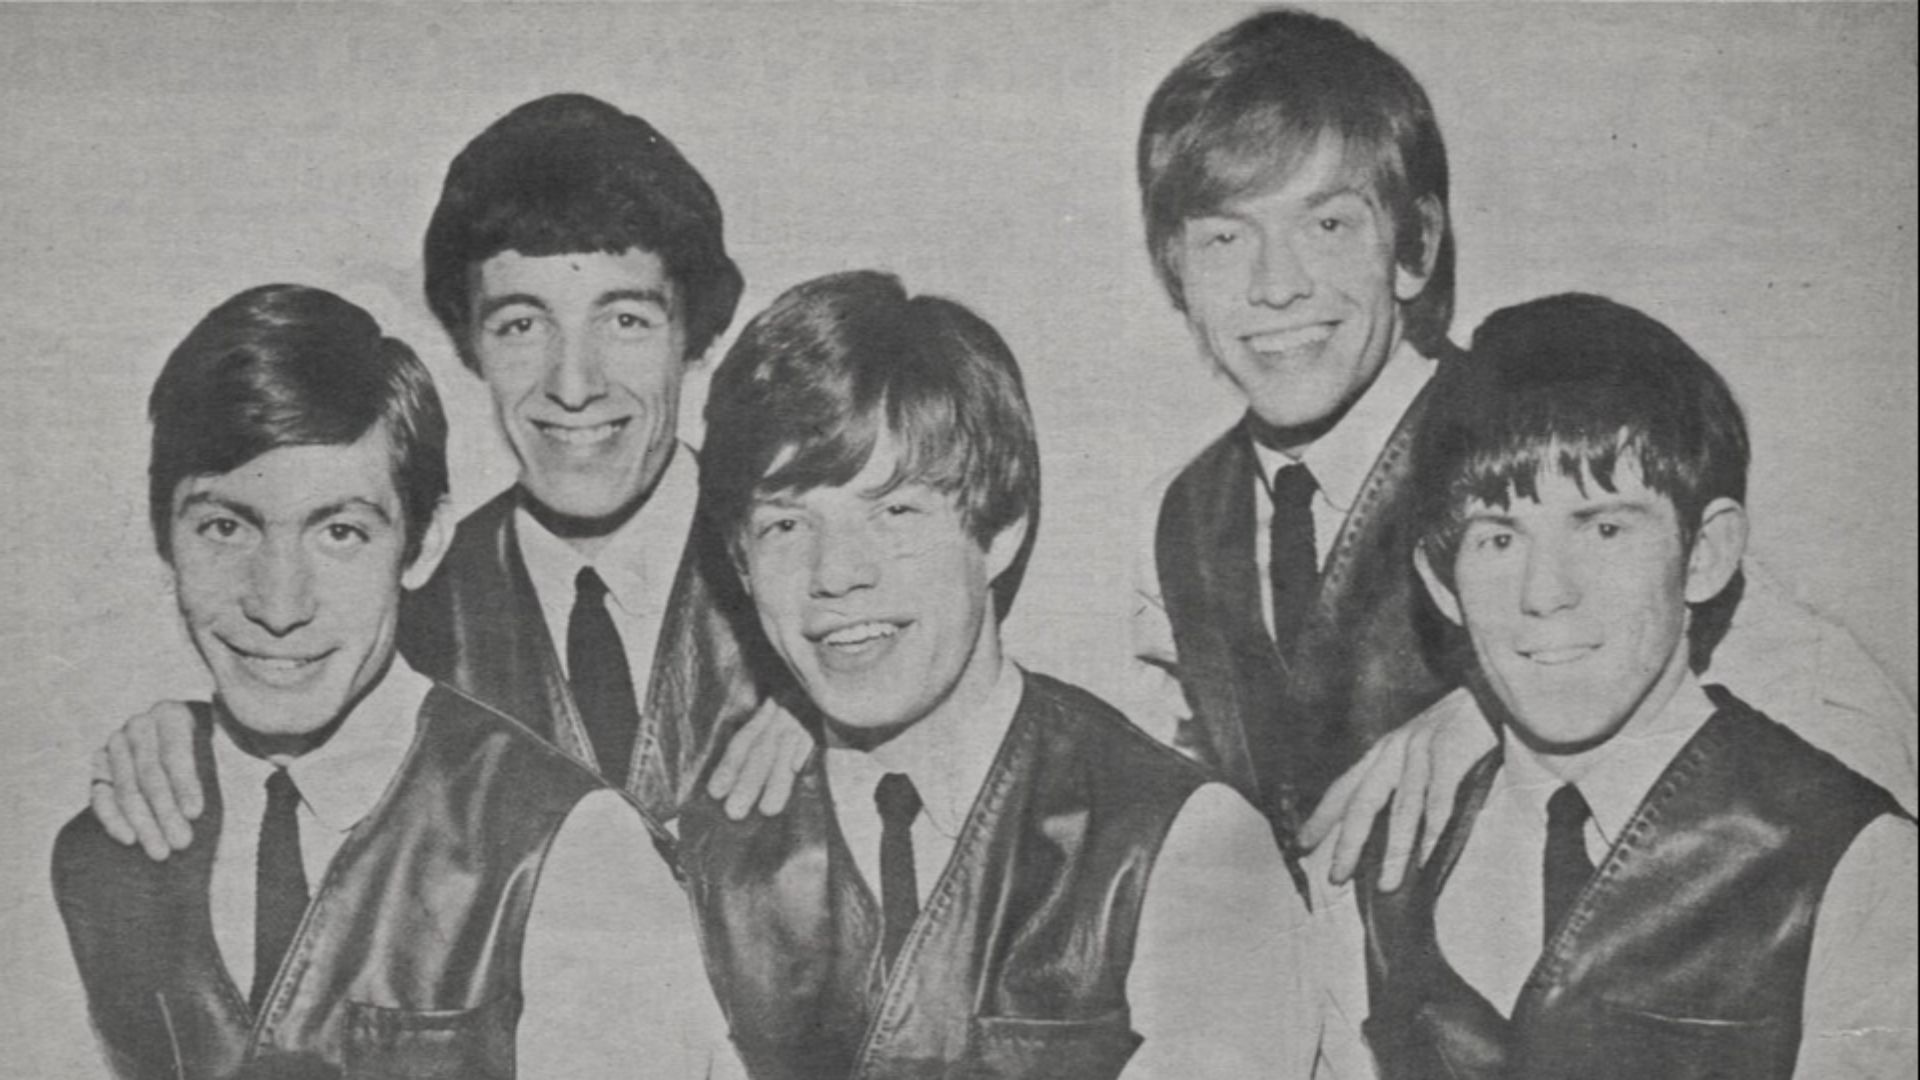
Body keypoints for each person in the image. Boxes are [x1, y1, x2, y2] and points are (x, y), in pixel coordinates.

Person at [1127, 8, 1917, 886]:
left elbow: (1835, 725)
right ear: (1175, 272)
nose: (1276, 286)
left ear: (1415, 247)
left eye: (1328, 227)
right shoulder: (1182, 516)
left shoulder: (1541, 433)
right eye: (1225, 237)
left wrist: (1514, 712)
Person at [90, 93, 801, 858]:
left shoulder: (826, 580)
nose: (573, 385)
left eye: (625, 320)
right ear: (469, 342)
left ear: (695, 335)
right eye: (521, 324)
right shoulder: (400, 607)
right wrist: (198, 741)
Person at [51, 285, 733, 1078]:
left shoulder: (571, 847)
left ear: (425, 541)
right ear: (162, 537)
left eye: (340, 532)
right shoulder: (102, 848)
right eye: (224, 528)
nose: (278, 604)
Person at [677, 271, 1312, 1079]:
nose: (835, 574)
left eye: (895, 510)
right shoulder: (697, 865)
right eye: (785, 525)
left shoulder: (1185, 845)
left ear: (1000, 529)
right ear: (740, 563)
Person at [1313, 294, 1915, 1079]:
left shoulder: (1854, 862)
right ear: (1441, 581)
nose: (1546, 592)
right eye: (1498, 539)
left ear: (1705, 553)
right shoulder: (1378, 866)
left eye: (1604, 529)